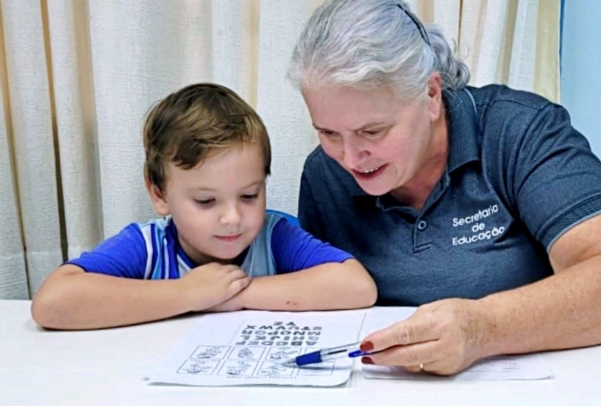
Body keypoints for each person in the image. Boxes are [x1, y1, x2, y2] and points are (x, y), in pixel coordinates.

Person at [287, 0, 601, 375]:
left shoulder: (521, 131)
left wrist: (483, 329)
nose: (349, 157)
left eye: (373, 131)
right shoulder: (324, 174)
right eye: (328, 133)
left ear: (430, 94)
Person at [31, 83, 377, 330]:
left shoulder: (273, 236)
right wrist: (188, 293)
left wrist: (234, 294)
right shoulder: (148, 246)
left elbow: (357, 287)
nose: (233, 218)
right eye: (206, 201)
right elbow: (52, 303)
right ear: (159, 194)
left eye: (249, 195)